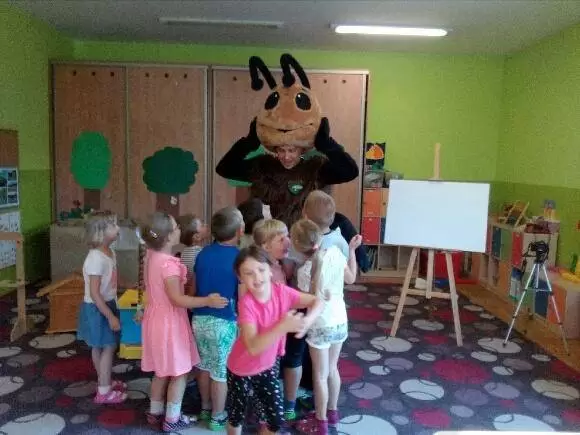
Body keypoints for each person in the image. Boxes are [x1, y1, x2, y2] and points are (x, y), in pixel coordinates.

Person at [215, 54, 358, 229]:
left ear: (301, 149)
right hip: (267, 238)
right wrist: (248, 143)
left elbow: (350, 171)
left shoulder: (315, 168)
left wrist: (326, 144)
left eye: (291, 150)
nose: (286, 156)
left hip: (304, 239)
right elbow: (224, 168)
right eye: (281, 150)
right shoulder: (263, 167)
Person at [140, 212, 228, 432]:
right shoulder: (168, 265)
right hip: (169, 324)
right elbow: (177, 300)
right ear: (169, 236)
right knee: (179, 372)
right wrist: (207, 300)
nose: (180, 228)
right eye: (176, 226)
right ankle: (172, 418)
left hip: (155, 320)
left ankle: (155, 411)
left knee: (161, 371)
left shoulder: (151, 257)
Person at [226, 246, 324, 435]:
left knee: (275, 420)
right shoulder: (246, 304)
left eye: (261, 270)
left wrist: (307, 322)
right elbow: (253, 347)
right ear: (240, 278)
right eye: (249, 273)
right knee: (236, 417)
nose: (257, 277)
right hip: (240, 369)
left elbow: (317, 301)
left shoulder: (282, 292)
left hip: (268, 366)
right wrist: (282, 326)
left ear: (270, 270)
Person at [291, 219, 361, 435]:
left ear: (297, 246)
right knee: (333, 369)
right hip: (340, 321)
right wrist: (351, 250)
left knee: (320, 375)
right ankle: (332, 413)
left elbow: (304, 301)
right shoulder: (336, 254)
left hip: (320, 325)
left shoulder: (304, 270)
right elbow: (351, 279)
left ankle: (321, 423)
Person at [191, 206, 244, 431]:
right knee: (220, 371)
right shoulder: (239, 258)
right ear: (240, 231)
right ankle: (217, 416)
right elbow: (242, 295)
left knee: (204, 365)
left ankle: (205, 407)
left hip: (199, 319)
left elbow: (193, 287)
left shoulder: (202, 253)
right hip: (224, 322)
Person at [77, 211, 127, 404]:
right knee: (108, 346)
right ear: (100, 232)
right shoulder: (95, 259)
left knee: (100, 345)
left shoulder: (109, 252)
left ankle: (103, 380)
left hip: (106, 304)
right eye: (113, 225)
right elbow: (95, 293)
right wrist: (110, 316)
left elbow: (108, 281)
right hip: (98, 308)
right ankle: (104, 392)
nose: (118, 228)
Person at [176, 213, 208, 285]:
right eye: (202, 225)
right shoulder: (201, 253)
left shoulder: (184, 252)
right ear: (197, 237)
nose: (206, 225)